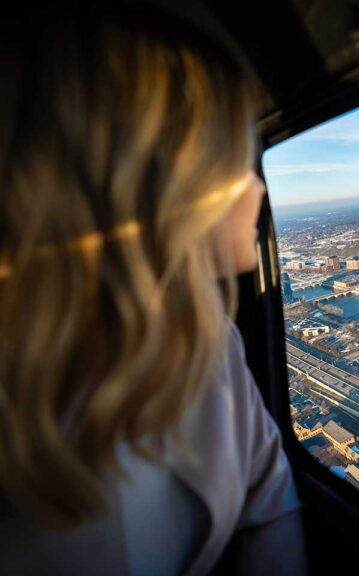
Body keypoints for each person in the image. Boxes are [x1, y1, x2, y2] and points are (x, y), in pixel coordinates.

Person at [0, 1, 307, 574]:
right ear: (155, 181)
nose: (257, 187)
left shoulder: (208, 338)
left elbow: (271, 501)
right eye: (233, 157)